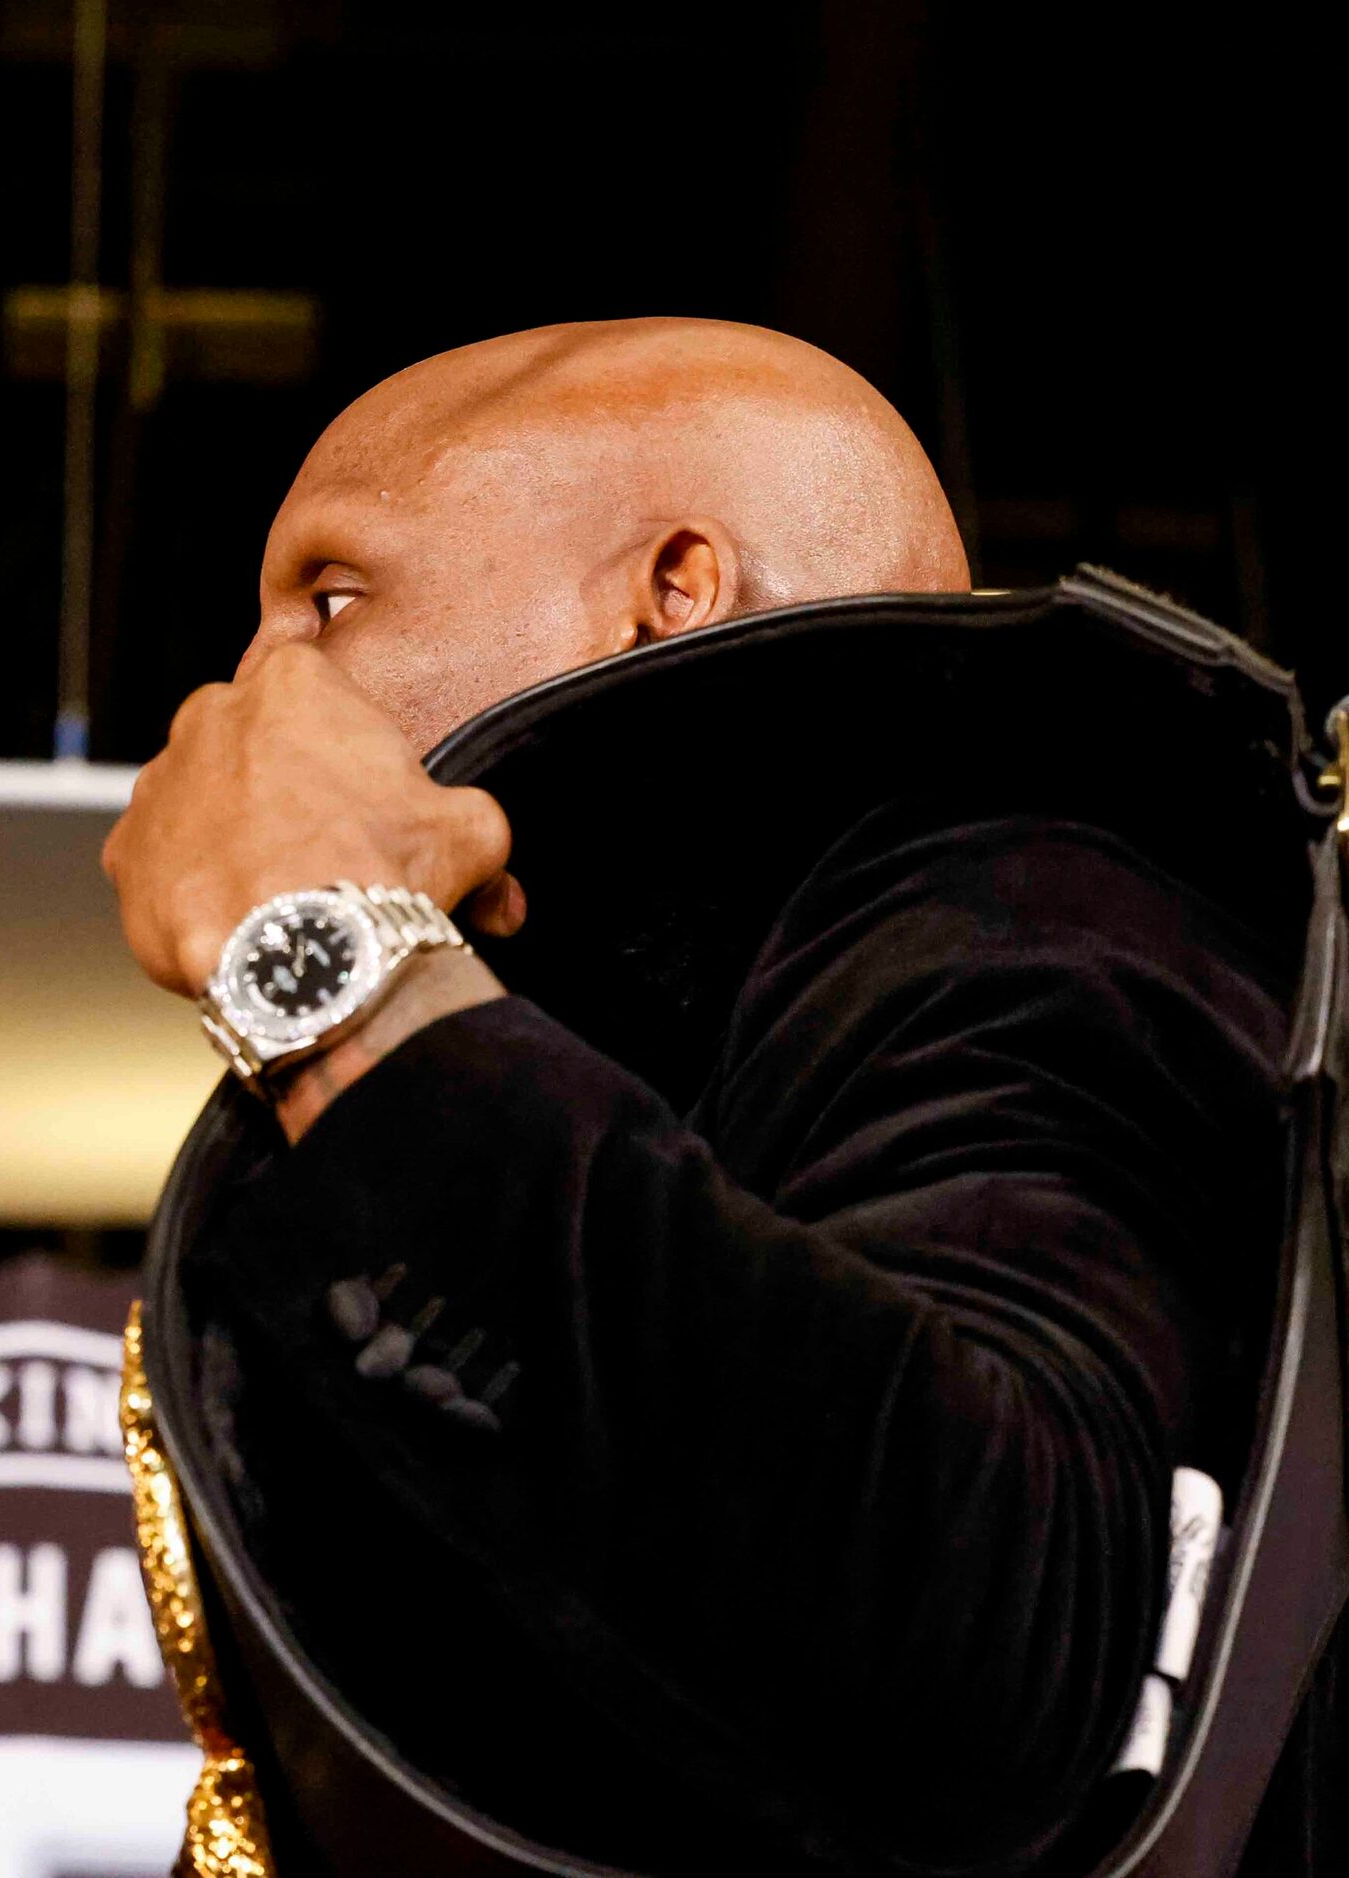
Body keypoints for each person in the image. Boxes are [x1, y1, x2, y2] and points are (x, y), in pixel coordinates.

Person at [103, 318, 1320, 1871]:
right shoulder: (697, 1022)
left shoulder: (1019, 912)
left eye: (329, 600)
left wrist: (334, 963)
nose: (250, 691)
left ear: (667, 592)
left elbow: (989, 1643)